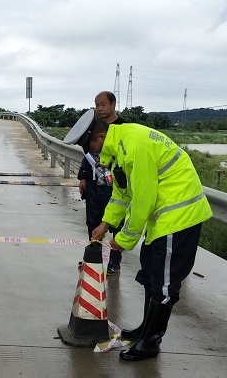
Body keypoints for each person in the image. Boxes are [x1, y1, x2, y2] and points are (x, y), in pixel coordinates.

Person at [66, 111, 212, 362]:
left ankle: (151, 342)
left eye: (91, 146)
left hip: (179, 218)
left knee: (164, 286)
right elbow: (122, 194)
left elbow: (143, 199)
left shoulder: (135, 146)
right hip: (162, 220)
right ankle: (146, 329)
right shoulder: (119, 150)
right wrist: (106, 223)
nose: (92, 153)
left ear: (101, 136)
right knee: (150, 275)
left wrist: (123, 240)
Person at [76, 91, 125, 275]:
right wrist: (83, 177)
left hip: (114, 186)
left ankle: (114, 261)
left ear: (113, 104)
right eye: (97, 105)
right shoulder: (95, 126)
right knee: (92, 220)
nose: (100, 108)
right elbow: (86, 154)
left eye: (103, 104)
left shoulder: (123, 127)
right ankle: (93, 257)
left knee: (115, 223)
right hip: (93, 182)